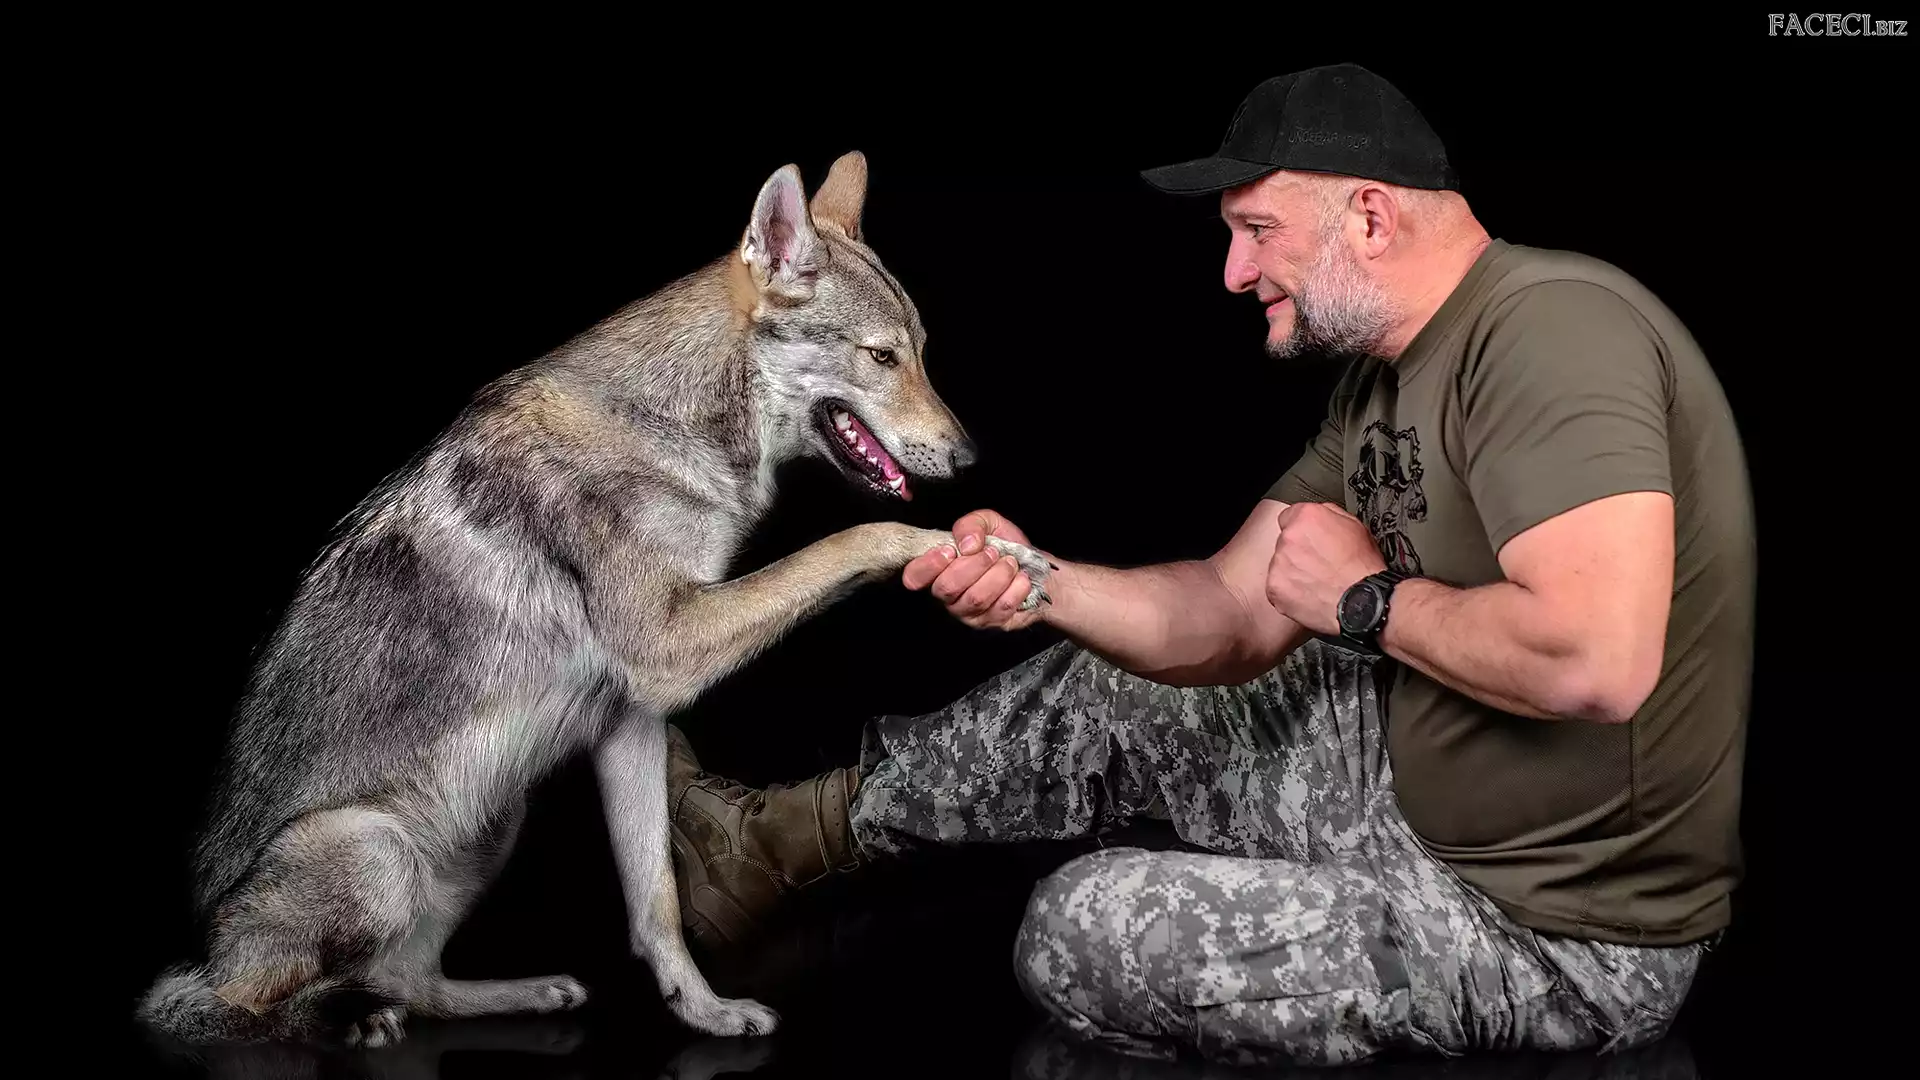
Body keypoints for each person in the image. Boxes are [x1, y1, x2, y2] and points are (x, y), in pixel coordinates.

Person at [663, 63, 1755, 1068]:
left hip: (1555, 933)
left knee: (1082, 930)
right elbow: (1229, 610)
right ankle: (771, 847)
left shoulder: (1554, 330)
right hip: (1412, 794)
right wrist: (1038, 578)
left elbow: (1595, 663)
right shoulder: (1385, 380)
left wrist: (1364, 601)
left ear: (1370, 217)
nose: (1235, 273)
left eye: (1257, 231)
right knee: (1121, 677)